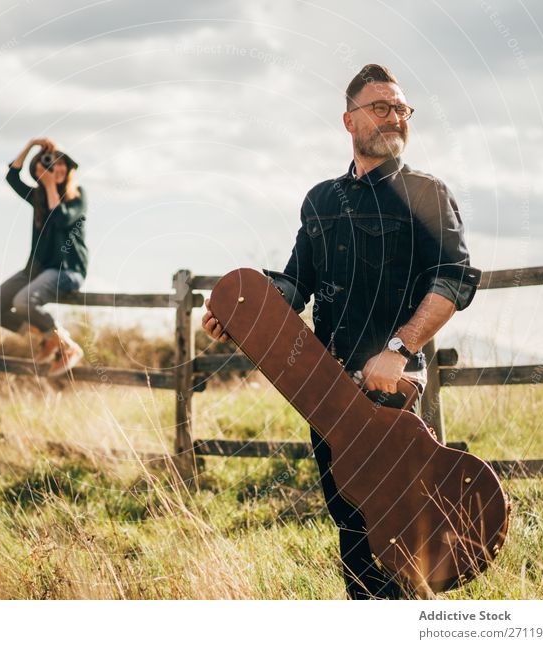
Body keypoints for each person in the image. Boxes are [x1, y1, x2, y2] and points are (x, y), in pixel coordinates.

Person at [202, 64, 481, 599]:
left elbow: (454, 279)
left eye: (403, 108)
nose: (396, 117)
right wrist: (243, 317)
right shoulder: (320, 201)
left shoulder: (427, 193)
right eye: (381, 107)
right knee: (352, 528)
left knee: (404, 532)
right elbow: (295, 284)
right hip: (325, 392)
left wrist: (399, 350)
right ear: (349, 120)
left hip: (392, 389)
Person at [0, 137, 87, 376]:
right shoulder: (37, 198)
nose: (56, 168)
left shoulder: (77, 197)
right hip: (36, 270)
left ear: (68, 168)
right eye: (50, 163)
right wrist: (31, 146)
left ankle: (67, 345)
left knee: (23, 301)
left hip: (67, 271)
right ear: (40, 168)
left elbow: (61, 219)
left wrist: (49, 186)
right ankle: (50, 338)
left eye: (61, 163)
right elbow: (12, 177)